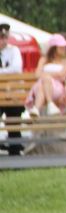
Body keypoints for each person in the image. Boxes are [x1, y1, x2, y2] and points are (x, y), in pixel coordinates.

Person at [25, 33, 66, 116]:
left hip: (56, 88)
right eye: (61, 47)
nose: (64, 49)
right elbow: (37, 74)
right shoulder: (44, 59)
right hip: (40, 86)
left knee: (45, 80)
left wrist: (45, 75)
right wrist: (51, 76)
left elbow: (62, 75)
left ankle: (37, 108)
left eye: (64, 46)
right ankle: (49, 104)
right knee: (43, 84)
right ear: (54, 48)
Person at [0, 23, 25, 155]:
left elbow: (16, 69)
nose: (3, 40)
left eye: (5, 37)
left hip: (13, 94)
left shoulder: (14, 50)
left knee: (13, 121)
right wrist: (6, 72)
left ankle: (15, 152)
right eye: (0, 37)